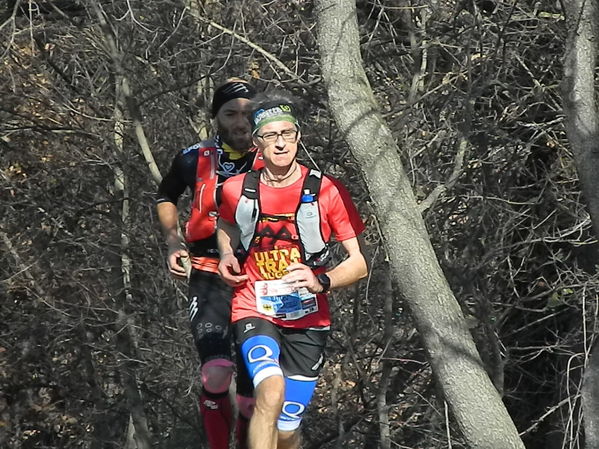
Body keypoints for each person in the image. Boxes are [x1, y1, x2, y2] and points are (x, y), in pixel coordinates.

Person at [216, 92, 368, 449]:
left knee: (286, 429)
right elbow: (227, 227)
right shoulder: (238, 189)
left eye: (288, 134)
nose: (281, 143)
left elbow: (359, 264)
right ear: (257, 143)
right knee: (270, 391)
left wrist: (321, 281)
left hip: (309, 317)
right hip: (254, 306)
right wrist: (225, 254)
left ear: (298, 138)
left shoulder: (327, 190)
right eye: (271, 136)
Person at [156, 78, 263, 449]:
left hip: (259, 278)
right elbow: (166, 194)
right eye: (230, 113)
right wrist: (173, 241)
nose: (240, 122)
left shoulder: (277, 156)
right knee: (216, 372)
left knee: (254, 391)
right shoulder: (193, 157)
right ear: (217, 117)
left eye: (248, 113)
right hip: (207, 272)